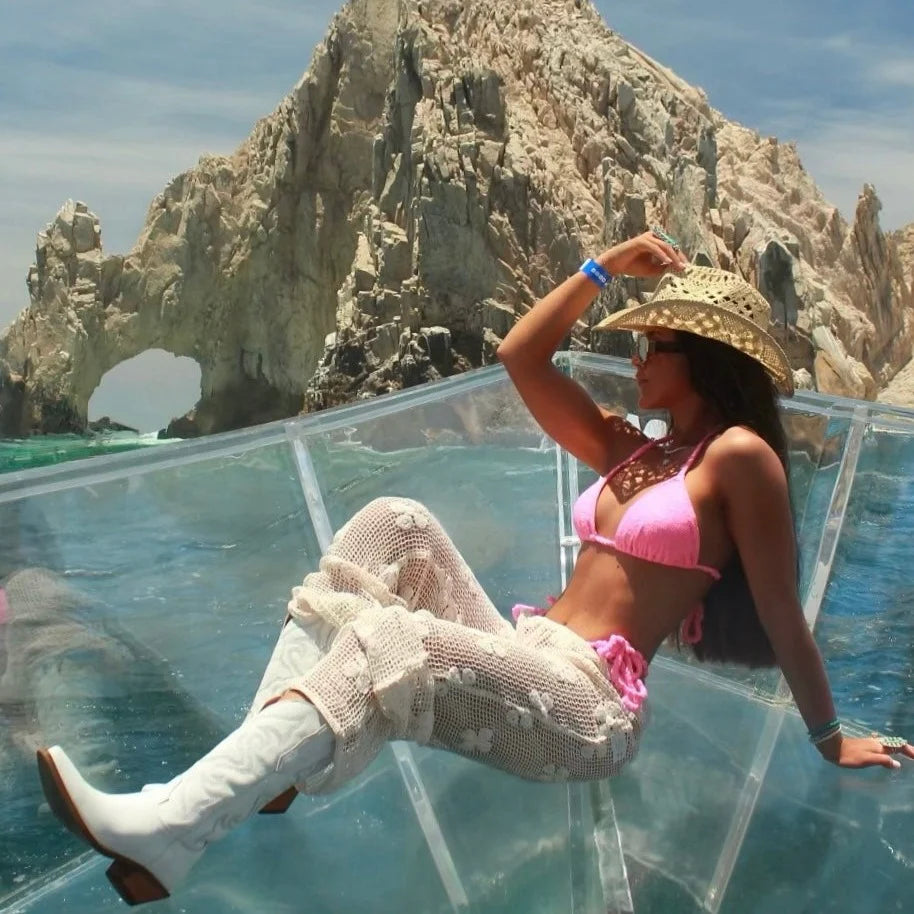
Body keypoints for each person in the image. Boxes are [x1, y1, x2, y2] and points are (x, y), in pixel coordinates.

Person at [35, 230, 912, 906]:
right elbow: (521, 356)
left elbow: (782, 609)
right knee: (395, 523)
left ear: (701, 356)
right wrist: (603, 266)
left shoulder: (740, 458)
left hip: (588, 709)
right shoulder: (628, 450)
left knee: (393, 638)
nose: (636, 359)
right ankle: (266, 778)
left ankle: (173, 823)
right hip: (524, 648)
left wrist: (829, 736)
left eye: (655, 344)